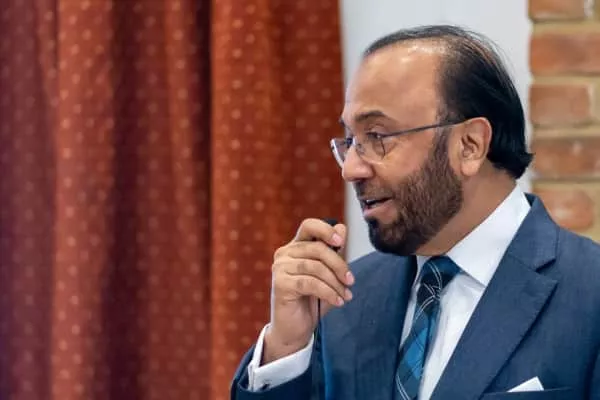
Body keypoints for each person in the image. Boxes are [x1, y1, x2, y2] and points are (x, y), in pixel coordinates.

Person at [230, 25, 600, 400]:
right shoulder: (341, 299)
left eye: (377, 137)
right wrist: (287, 347)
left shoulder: (589, 291)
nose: (351, 169)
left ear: (470, 145)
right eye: (351, 141)